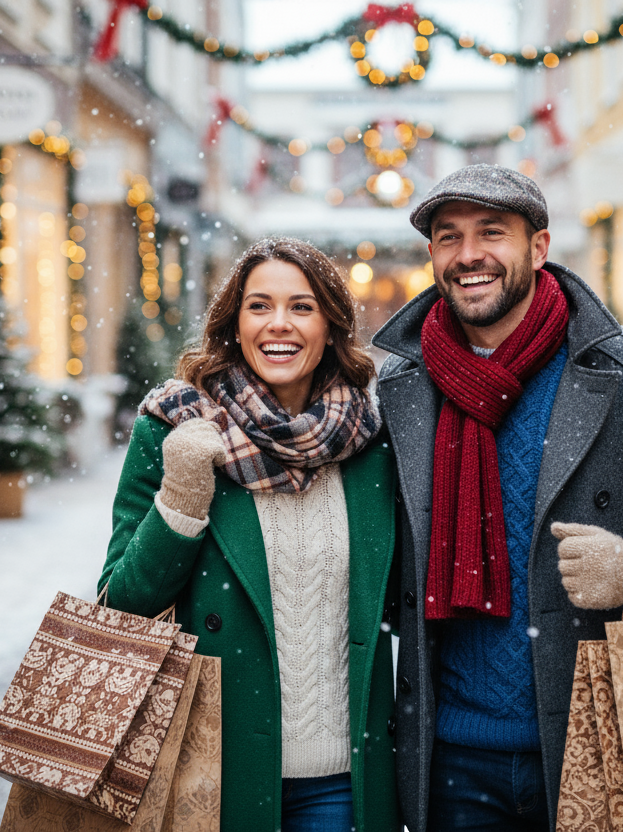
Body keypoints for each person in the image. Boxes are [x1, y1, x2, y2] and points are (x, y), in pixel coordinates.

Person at [372, 165, 623, 831]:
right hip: (451, 756)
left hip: (604, 736)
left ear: (538, 248)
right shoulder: (400, 390)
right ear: (432, 255)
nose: (469, 256)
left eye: (492, 233)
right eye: (449, 237)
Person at [99, 237, 400, 832]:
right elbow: (122, 603)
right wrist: (182, 498)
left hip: (345, 778)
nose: (278, 324)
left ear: (331, 327)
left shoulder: (372, 443)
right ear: (233, 324)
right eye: (259, 306)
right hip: (210, 768)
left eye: (302, 307)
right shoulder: (175, 429)